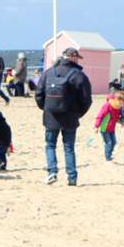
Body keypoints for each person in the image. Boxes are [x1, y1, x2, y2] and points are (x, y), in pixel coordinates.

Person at [34, 46, 92, 187]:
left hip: (51, 116)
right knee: (69, 148)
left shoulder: (49, 72)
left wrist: (47, 109)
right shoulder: (79, 75)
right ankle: (72, 178)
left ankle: (52, 172)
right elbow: (86, 100)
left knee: (50, 145)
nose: (78, 61)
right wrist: (78, 114)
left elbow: (38, 95)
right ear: (72, 57)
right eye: (77, 58)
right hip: (70, 117)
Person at [93, 91, 124, 162]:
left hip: (111, 128)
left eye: (123, 105)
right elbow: (100, 116)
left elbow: (115, 116)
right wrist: (96, 126)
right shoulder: (108, 105)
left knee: (114, 142)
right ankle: (108, 158)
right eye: (121, 103)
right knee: (109, 143)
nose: (121, 106)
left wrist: (120, 121)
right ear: (116, 99)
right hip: (104, 128)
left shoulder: (118, 107)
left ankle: (109, 155)